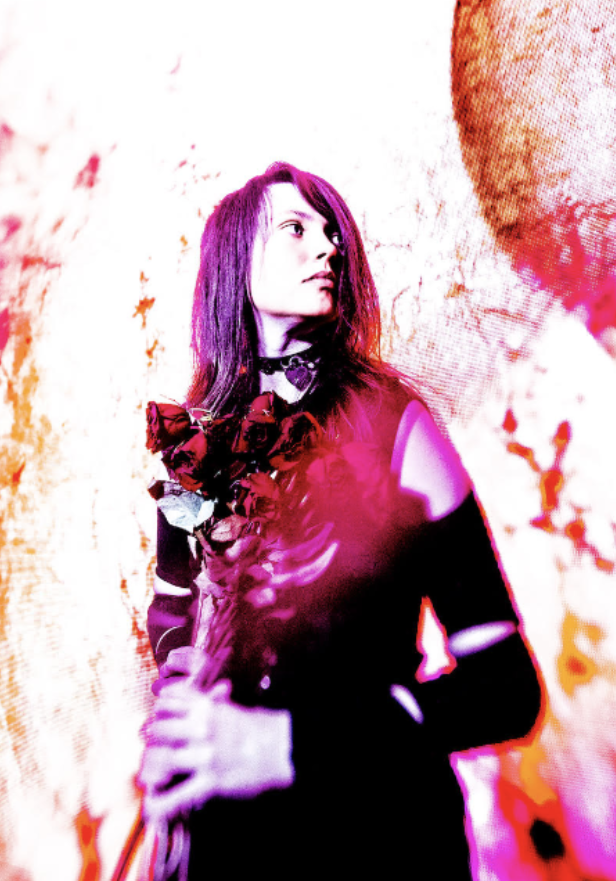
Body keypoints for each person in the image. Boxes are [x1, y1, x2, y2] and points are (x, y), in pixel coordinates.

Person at [137, 162, 543, 879]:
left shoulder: (394, 425)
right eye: (295, 228)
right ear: (235, 259)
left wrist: (286, 747)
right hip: (229, 849)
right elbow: (173, 605)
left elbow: (506, 687)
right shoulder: (193, 443)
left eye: (330, 232)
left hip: (378, 838)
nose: (328, 246)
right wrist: (180, 704)